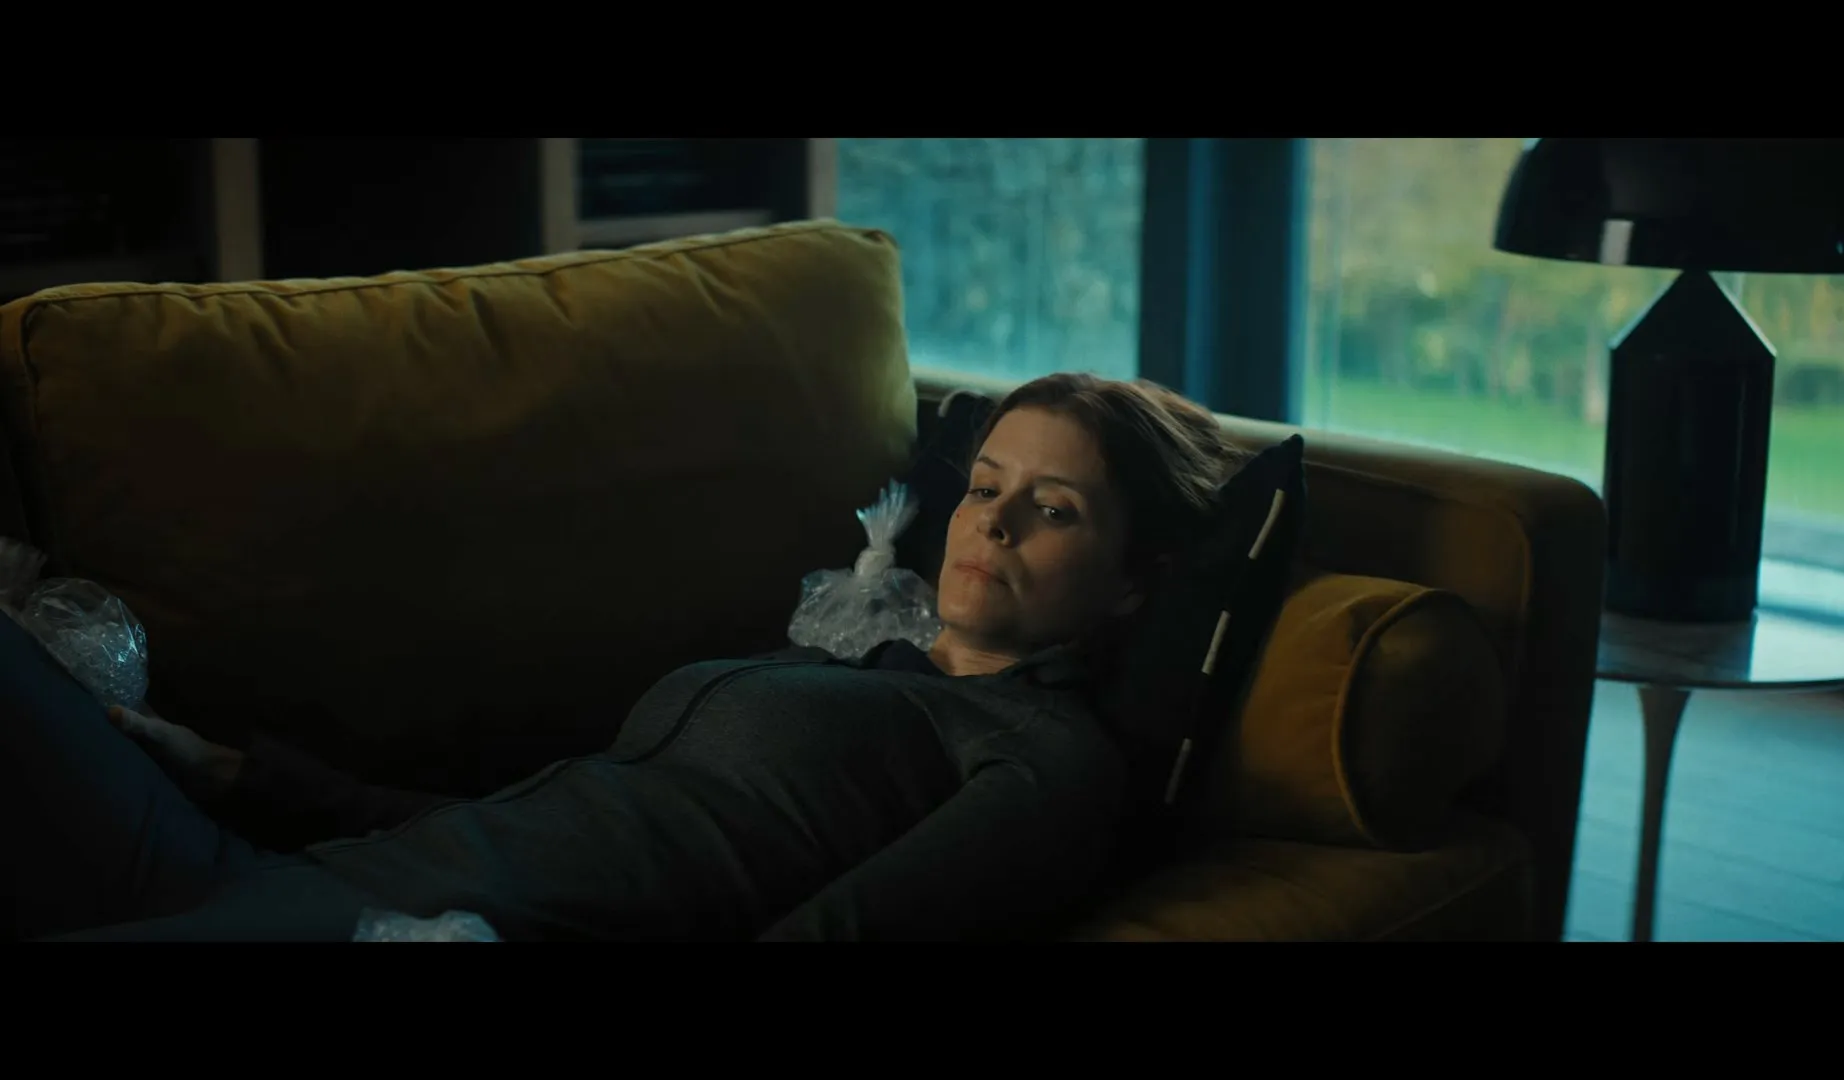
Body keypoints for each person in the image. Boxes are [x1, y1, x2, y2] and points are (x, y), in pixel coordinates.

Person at [4, 372, 1246, 942]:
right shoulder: (860, 657)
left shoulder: (1040, 755)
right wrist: (241, 773)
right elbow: (550, 818)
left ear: (1134, 583)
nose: (993, 522)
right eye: (984, 485)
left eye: (1054, 509)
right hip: (268, 857)